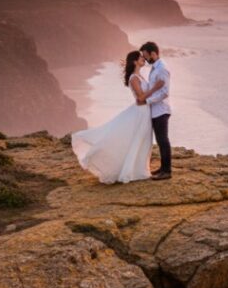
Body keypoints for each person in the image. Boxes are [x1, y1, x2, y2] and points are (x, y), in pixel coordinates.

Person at [70, 50, 166, 183]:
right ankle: (132, 172)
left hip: (144, 112)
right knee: (139, 140)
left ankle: (140, 170)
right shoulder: (134, 78)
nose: (143, 59)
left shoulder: (140, 76)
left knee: (144, 141)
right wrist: (156, 88)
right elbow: (140, 98)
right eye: (140, 58)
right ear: (134, 61)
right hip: (140, 113)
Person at [140, 41, 172, 180]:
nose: (146, 59)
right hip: (155, 110)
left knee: (163, 140)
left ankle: (167, 171)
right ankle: (163, 168)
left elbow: (165, 92)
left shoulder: (162, 69)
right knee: (160, 141)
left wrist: (147, 101)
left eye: (147, 56)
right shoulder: (155, 67)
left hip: (161, 110)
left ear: (153, 53)